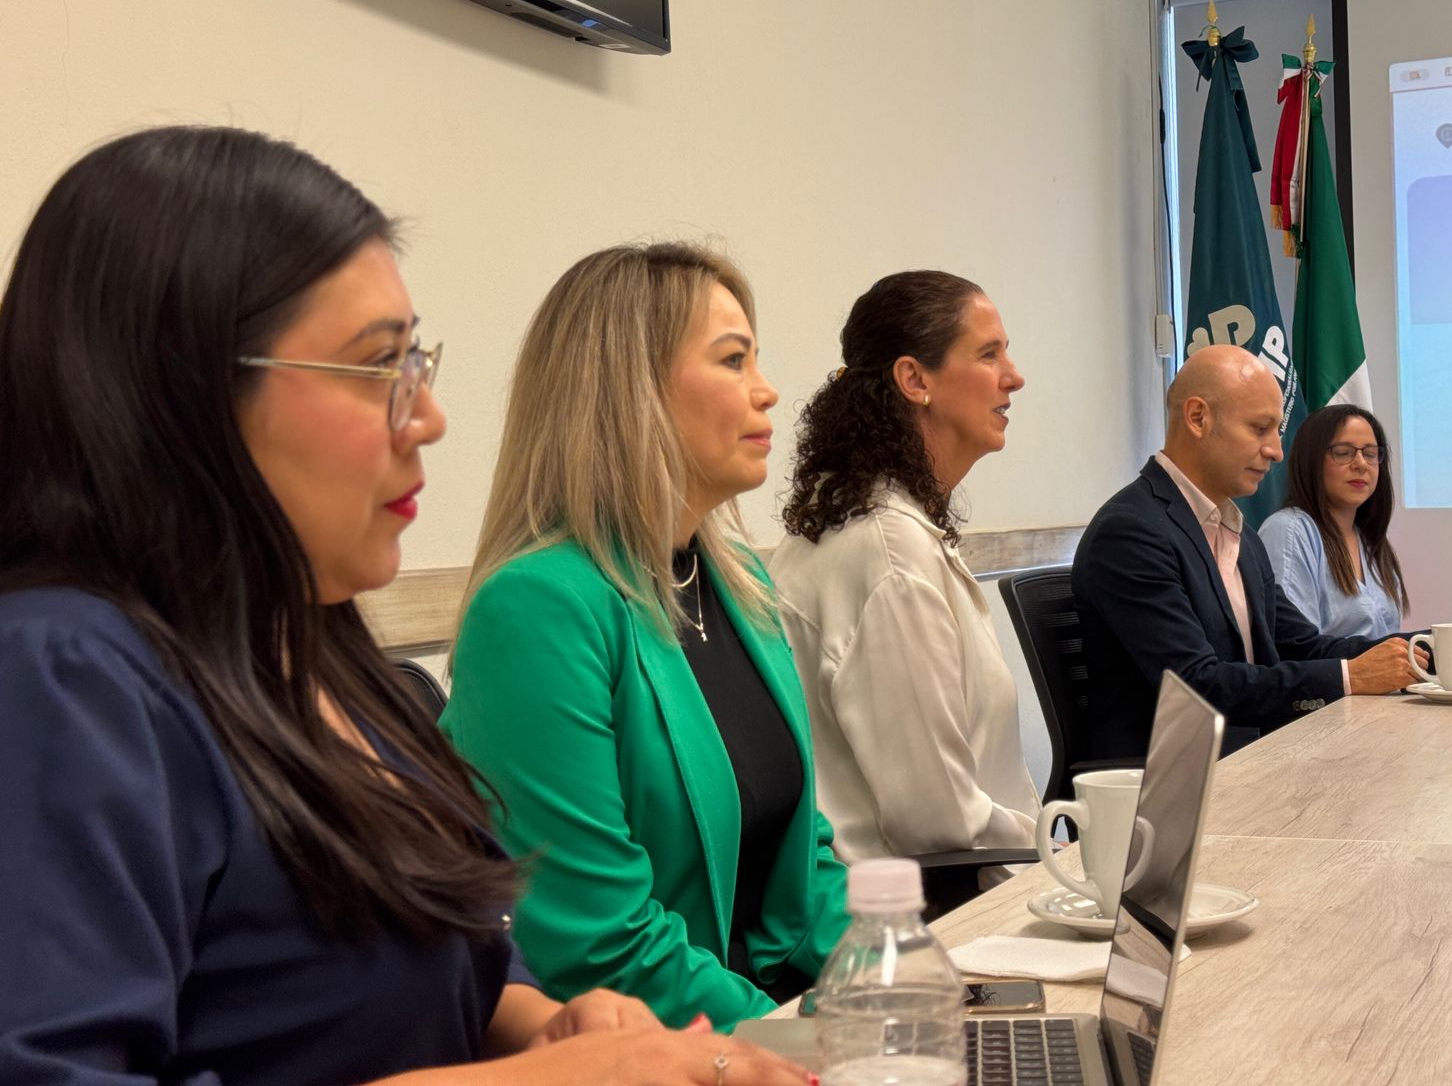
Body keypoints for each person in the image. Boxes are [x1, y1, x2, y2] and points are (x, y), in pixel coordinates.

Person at [0, 127, 805, 1086]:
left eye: (417, 364)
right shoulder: (63, 673)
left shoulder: (332, 657)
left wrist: (546, 1025)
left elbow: (440, 957)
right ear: (185, 390)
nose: (428, 417)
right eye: (379, 367)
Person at [443, 243, 849, 1032]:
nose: (767, 390)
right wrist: (807, 1050)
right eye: (733, 360)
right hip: (663, 1046)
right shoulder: (538, 607)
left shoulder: (738, 579)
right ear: (630, 393)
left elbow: (806, 863)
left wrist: (899, 986)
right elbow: (598, 944)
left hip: (772, 1020)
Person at [770, 270, 1039, 868]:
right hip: (930, 903)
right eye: (989, 354)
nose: (1013, 376)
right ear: (915, 379)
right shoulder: (888, 553)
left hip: (969, 876)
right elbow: (938, 823)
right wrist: (1057, 854)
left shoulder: (882, 525)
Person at [1073, 345, 1418, 760]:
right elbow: (1196, 686)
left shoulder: (1240, 535)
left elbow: (1304, 646)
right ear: (1198, 418)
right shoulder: (1132, 532)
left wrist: (1435, 646)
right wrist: (1350, 677)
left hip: (1251, 757)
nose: (1276, 451)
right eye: (1260, 428)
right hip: (1175, 778)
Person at [1259, 404, 1452, 664]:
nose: (1361, 464)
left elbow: (1388, 655)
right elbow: (1297, 651)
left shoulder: (1370, 542)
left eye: (1371, 454)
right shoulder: (1290, 530)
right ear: (1311, 460)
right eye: (1343, 453)